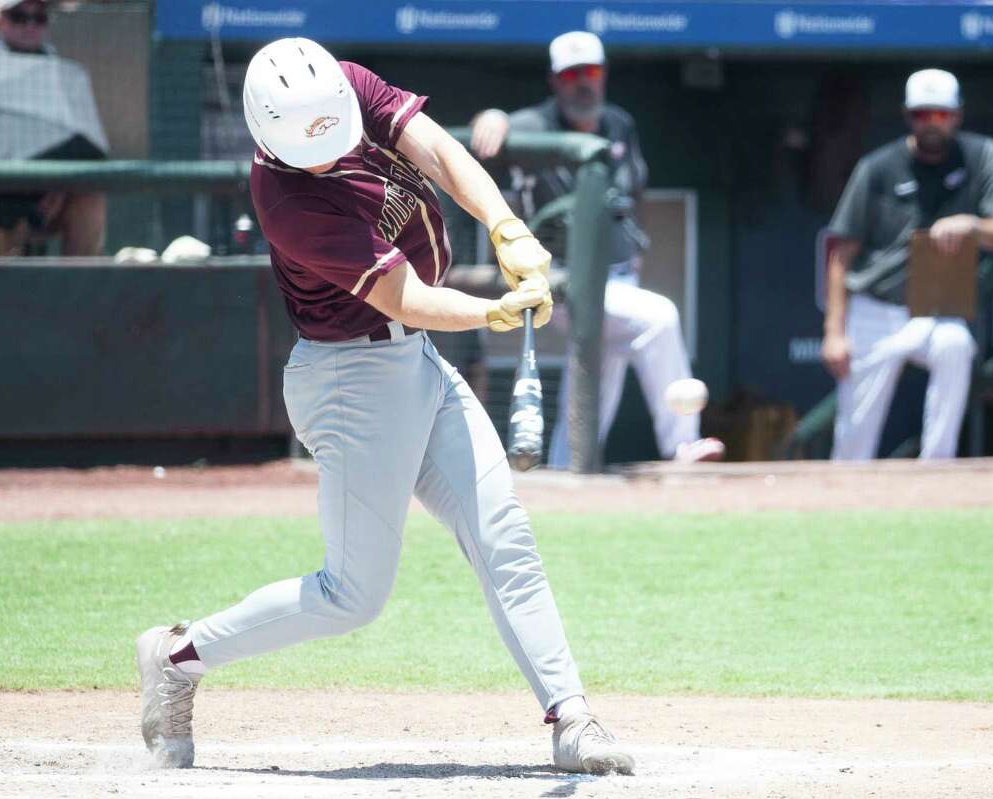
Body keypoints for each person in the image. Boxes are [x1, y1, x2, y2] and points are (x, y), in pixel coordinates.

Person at [135, 38, 635, 777]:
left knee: (505, 536)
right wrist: (494, 311)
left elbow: (437, 150)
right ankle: (178, 656)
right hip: (350, 380)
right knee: (352, 595)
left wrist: (506, 226)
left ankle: (571, 717)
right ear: (269, 132)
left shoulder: (338, 85)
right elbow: (408, 299)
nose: (331, 153)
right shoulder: (287, 201)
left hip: (413, 362)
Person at [470, 31, 725, 468]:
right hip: (564, 282)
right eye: (571, 75)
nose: (582, 84)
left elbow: (635, 192)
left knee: (594, 382)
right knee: (659, 318)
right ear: (555, 81)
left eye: (589, 72)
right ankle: (681, 445)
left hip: (618, 276)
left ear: (603, 74)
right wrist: (491, 115)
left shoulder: (619, 123)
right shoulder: (535, 125)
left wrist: (636, 248)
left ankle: (565, 470)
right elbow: (485, 134)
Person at [822, 68, 993, 460]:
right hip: (876, 309)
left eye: (941, 114)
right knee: (854, 438)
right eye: (922, 114)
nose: (932, 123)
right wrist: (834, 331)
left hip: (936, 309)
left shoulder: (980, 155)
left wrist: (973, 225)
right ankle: (845, 498)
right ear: (907, 116)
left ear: (958, 114)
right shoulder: (877, 168)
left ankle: (937, 470)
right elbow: (841, 252)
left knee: (956, 345)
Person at [0, 0, 106, 256]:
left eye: (39, 18)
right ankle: (1, 292)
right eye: (18, 16)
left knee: (89, 197)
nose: (29, 25)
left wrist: (59, 186)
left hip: (49, 189)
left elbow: (76, 138)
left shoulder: (59, 70)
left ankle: (80, 291)